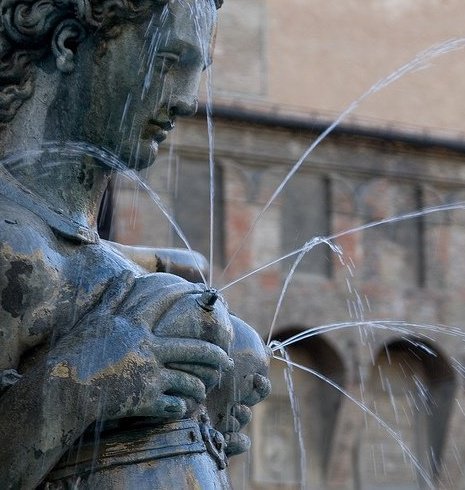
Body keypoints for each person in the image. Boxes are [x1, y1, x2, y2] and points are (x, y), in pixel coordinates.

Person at [0, 0, 269, 487]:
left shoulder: (102, 268)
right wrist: (74, 385)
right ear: (70, 44)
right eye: (166, 63)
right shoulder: (11, 248)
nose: (187, 99)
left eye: (196, 71)